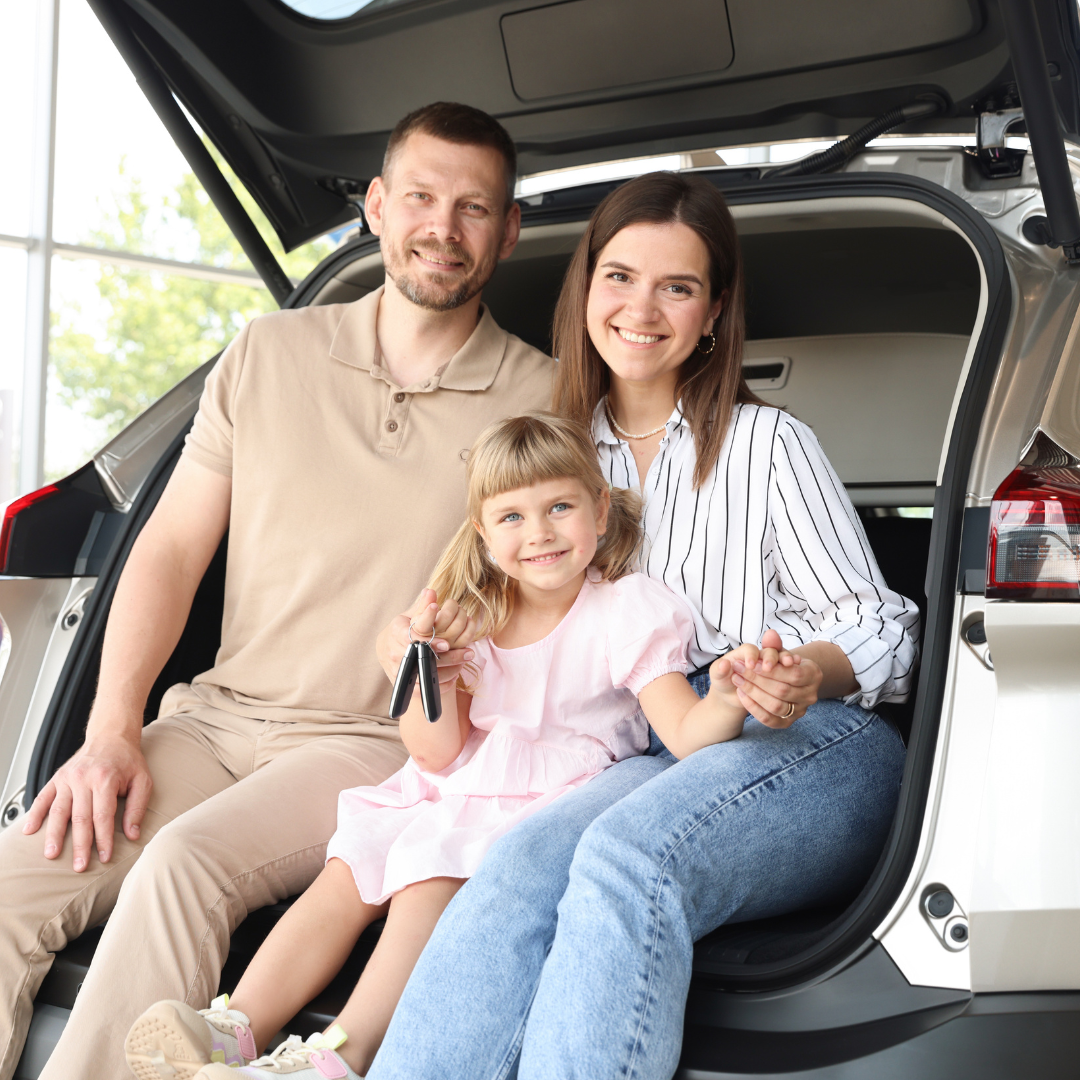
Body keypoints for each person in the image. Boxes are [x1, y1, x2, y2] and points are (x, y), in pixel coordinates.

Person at [0, 102, 553, 1080]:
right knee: (12, 887)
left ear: (507, 231)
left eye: (474, 208)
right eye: (421, 197)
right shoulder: (265, 354)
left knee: (184, 865)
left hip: (372, 748)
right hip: (212, 723)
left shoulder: (543, 399)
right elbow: (168, 550)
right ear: (377, 206)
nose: (444, 226)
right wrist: (111, 730)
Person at [367, 172, 920, 1080]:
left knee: (628, 860)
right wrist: (416, 648)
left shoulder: (768, 445)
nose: (642, 308)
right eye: (619, 277)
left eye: (678, 286)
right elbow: (483, 609)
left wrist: (800, 676)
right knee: (514, 872)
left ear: (713, 313)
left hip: (812, 735)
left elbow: (883, 630)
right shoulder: (555, 455)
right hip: (648, 746)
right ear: (586, 290)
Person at [125, 412, 783, 1080]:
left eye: (560, 506)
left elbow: (682, 732)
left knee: (425, 882)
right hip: (453, 783)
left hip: (548, 799)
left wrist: (727, 699)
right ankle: (234, 1030)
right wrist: (424, 680)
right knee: (349, 868)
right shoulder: (474, 614)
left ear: (601, 512)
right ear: (483, 533)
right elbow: (437, 753)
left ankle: (331, 1060)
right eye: (512, 518)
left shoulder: (626, 609)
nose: (540, 534)